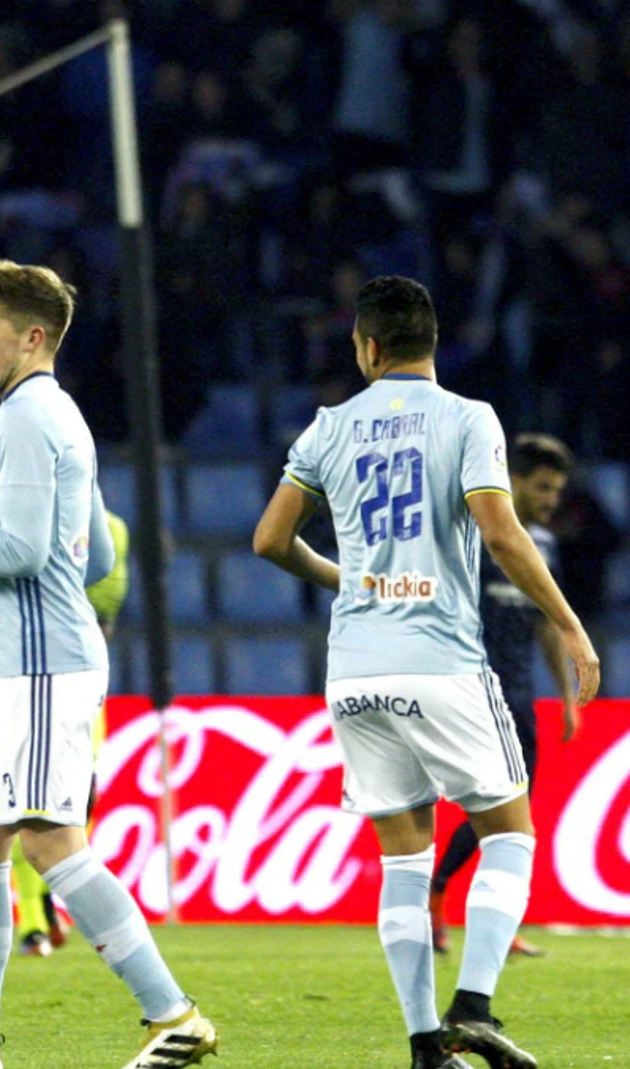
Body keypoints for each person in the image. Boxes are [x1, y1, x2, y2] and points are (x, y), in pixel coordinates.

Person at [0, 260, 217, 1069]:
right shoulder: (60, 416)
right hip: (19, 662)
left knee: (52, 841)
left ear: (32, 336)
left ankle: (176, 1014)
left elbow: (20, 549)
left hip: (43, 667)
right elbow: (90, 557)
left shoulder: (26, 419)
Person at [252, 276, 600, 1069]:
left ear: (367, 347)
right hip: (441, 660)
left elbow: (269, 541)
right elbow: (501, 530)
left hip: (354, 675)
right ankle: (473, 1003)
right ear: (429, 343)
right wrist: (572, 623)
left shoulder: (328, 427)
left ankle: (422, 1046)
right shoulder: (467, 418)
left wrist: (348, 579)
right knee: (509, 832)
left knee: (403, 860)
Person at [431, 433, 580, 959]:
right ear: (512, 481)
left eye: (556, 491)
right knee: (497, 815)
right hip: (472, 686)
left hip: (518, 694)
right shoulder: (473, 533)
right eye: (542, 487)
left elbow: (545, 620)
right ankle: (439, 896)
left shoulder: (542, 544)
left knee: (512, 816)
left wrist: (564, 694)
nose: (550, 500)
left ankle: (488, 916)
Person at [13, 506, 129, 959]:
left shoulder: (110, 527)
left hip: (77, 675)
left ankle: (47, 889)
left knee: (80, 798)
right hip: (22, 676)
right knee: (19, 803)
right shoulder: (14, 518)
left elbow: (106, 603)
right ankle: (32, 922)